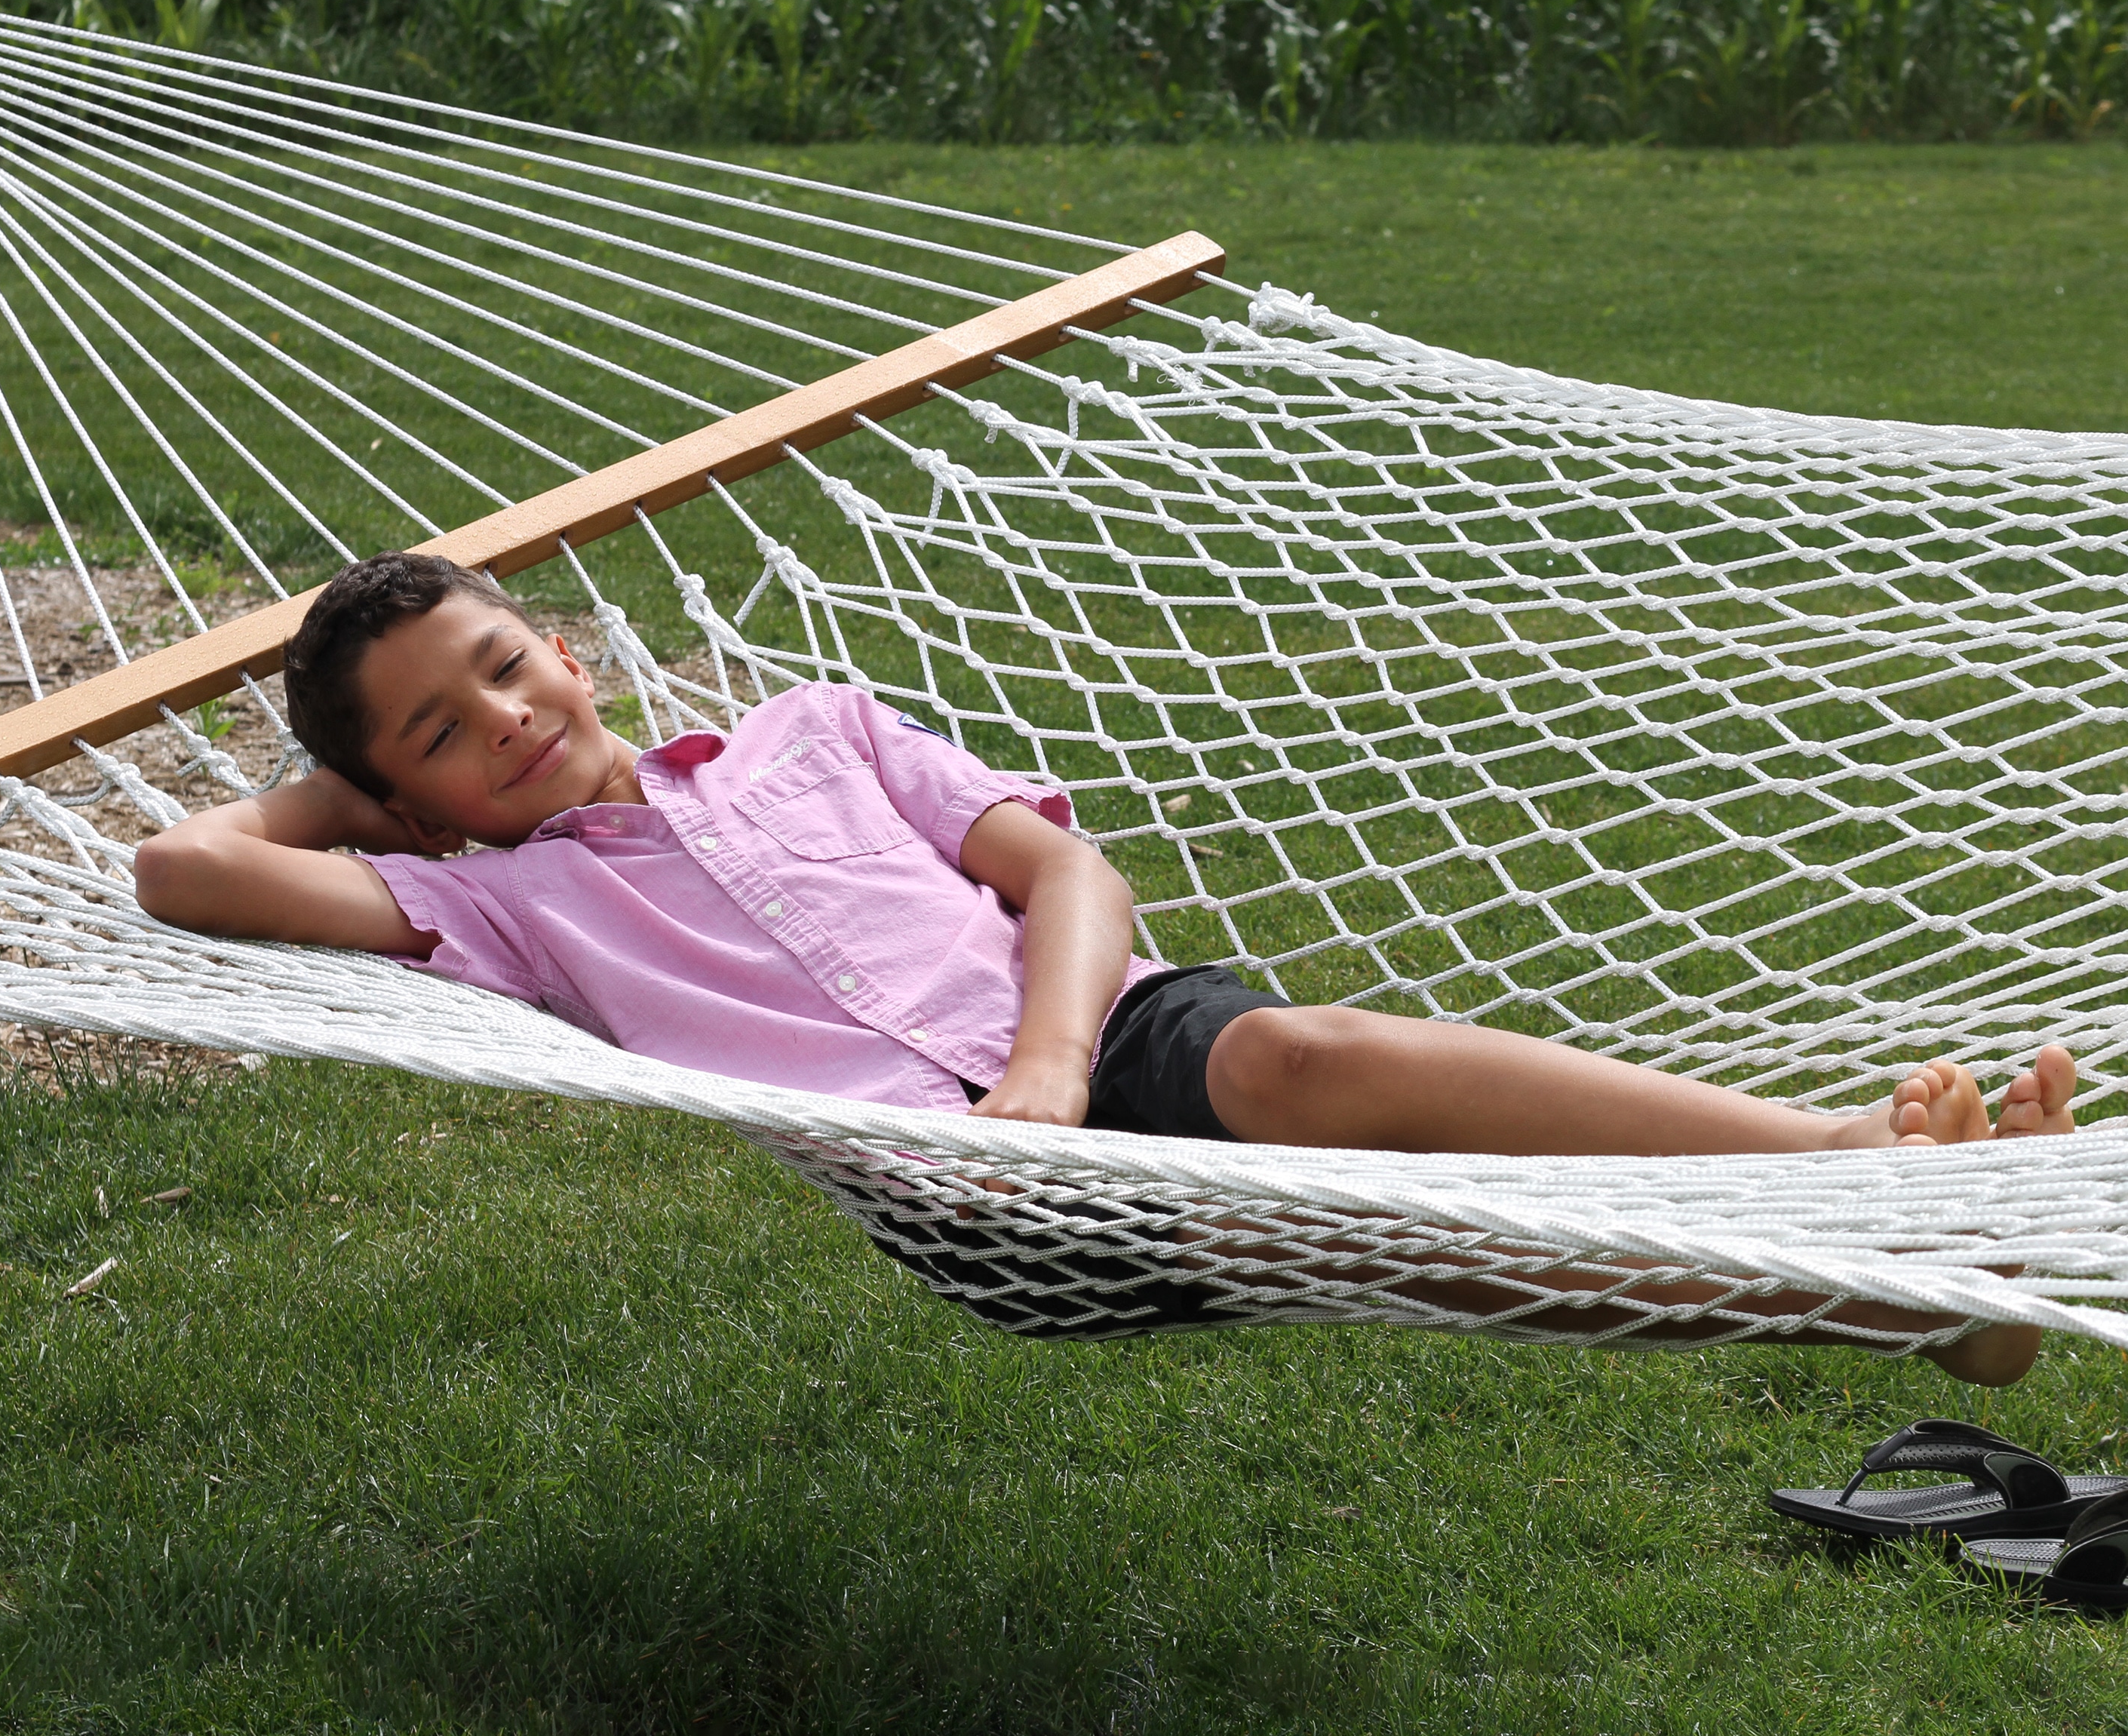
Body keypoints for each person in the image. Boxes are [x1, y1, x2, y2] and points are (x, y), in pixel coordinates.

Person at [135, 554, 2078, 1386]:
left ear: (572, 650)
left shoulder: (816, 731)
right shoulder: (502, 910)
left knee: (1310, 1059)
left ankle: (1863, 1172)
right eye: (438, 738)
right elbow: (180, 868)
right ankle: (1909, 1306)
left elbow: (1062, 863)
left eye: (502, 668)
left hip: (1089, 1042)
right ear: (403, 807)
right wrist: (366, 805)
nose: (501, 722)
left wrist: (1057, 1058)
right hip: (968, 1190)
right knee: (1415, 1255)